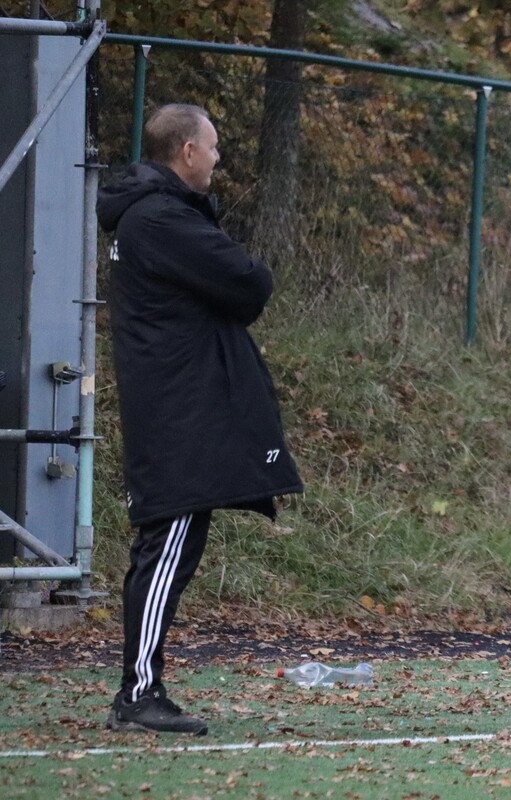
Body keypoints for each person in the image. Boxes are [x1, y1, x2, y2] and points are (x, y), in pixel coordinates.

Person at [96, 104, 303, 735]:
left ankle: (140, 689)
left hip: (177, 408)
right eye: (212, 147)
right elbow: (249, 282)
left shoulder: (152, 216)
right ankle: (137, 694)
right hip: (177, 413)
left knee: (169, 551)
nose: (217, 157)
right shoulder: (163, 219)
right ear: (186, 151)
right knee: (165, 554)